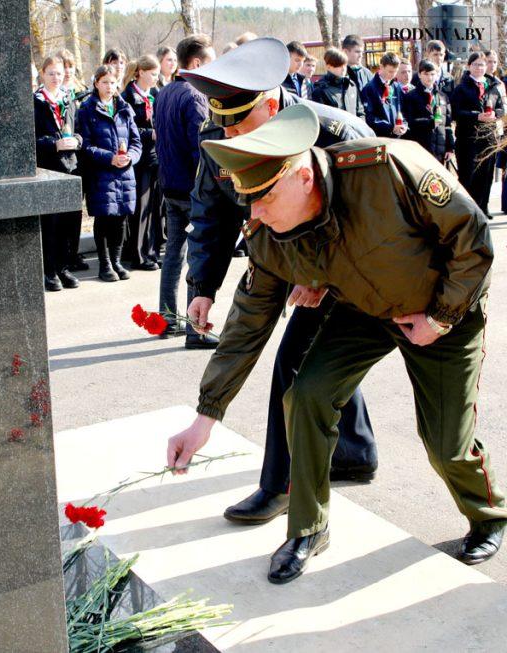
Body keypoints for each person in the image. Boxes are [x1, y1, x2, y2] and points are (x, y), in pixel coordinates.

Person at [168, 104, 507, 584]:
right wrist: (206, 416)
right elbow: (247, 326)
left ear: (303, 176)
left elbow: (472, 237)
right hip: (363, 311)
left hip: (443, 311)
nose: (255, 213)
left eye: (263, 198)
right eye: (250, 202)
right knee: (306, 395)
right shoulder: (268, 232)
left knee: (445, 444)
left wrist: (440, 317)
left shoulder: (389, 167)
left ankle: (489, 515)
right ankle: (307, 528)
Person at [182, 37, 377, 524]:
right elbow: (211, 214)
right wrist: (202, 286)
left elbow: (373, 224)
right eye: (222, 122)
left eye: (240, 121)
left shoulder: (338, 133)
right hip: (285, 265)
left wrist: (324, 278)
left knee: (295, 362)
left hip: (357, 273)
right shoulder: (222, 137)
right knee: (323, 360)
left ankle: (280, 485)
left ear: (271, 104)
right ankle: (355, 451)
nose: (231, 135)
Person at [153, 34, 217, 348]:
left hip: (170, 185)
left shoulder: (165, 93)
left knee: (174, 255)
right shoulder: (194, 95)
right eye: (210, 62)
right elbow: (202, 149)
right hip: (192, 189)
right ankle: (194, 328)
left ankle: (166, 318)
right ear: (195, 64)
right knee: (196, 256)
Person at [76, 65, 141, 283]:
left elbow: (136, 141)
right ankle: (105, 264)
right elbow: (85, 145)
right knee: (104, 219)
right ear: (96, 84)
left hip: (124, 173)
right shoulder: (87, 109)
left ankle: (117, 261)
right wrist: (109, 158)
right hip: (101, 173)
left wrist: (131, 156)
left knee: (121, 219)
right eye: (104, 82)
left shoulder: (125, 108)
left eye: (113, 82)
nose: (109, 87)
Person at [34, 55, 82, 291]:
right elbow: (31, 140)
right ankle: (50, 270)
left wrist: (77, 140)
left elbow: (81, 131)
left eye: (60, 74)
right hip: (48, 167)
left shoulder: (68, 99)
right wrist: (54, 143)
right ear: (42, 74)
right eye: (51, 73)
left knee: (69, 223)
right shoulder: (36, 102)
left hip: (70, 166)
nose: (56, 78)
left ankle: (64, 267)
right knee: (51, 224)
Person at [451, 51, 505, 219]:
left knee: (486, 175)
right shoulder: (462, 88)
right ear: (469, 66)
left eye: (482, 65)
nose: (480, 68)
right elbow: (456, 112)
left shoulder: (492, 85)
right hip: (468, 138)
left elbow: (501, 107)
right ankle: (469, 211)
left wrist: (494, 114)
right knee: (469, 175)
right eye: (476, 65)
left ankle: (483, 207)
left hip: (488, 137)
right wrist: (476, 115)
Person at [120, 55, 162, 270]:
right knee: (140, 206)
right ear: (140, 72)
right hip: (140, 158)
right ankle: (138, 254)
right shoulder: (128, 96)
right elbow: (129, 128)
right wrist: (149, 134)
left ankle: (151, 250)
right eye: (153, 74)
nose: (156, 78)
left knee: (153, 208)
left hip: (155, 157)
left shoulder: (154, 94)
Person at [56, 48, 90, 273]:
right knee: (61, 213)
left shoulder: (81, 92)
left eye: (71, 67)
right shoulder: (53, 94)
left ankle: (73, 252)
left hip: (81, 158)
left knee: (76, 211)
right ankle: (62, 255)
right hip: (60, 161)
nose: (68, 71)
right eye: (64, 67)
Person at [403, 60, 454, 165]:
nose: (429, 77)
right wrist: (430, 122)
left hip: (440, 148)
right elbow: (410, 122)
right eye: (426, 74)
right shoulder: (411, 96)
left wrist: (450, 147)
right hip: (421, 147)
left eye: (432, 74)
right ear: (420, 74)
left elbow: (447, 124)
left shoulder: (442, 96)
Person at [361, 52, 408, 138]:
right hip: (379, 137)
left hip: (397, 137)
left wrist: (404, 125)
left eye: (395, 71)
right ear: (381, 67)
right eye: (390, 71)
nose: (393, 75)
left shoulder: (396, 86)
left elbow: (403, 110)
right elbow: (369, 117)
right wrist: (390, 127)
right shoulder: (370, 88)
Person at [311, 48, 364, 119]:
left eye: (344, 65)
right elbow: (322, 120)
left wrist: (360, 127)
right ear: (328, 67)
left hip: (354, 128)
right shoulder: (320, 90)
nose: (343, 69)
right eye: (339, 65)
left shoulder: (351, 85)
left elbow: (360, 112)